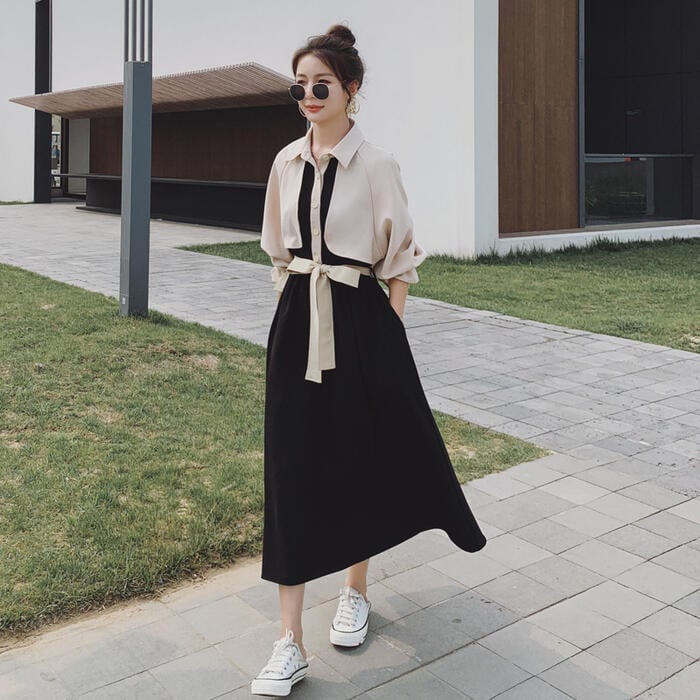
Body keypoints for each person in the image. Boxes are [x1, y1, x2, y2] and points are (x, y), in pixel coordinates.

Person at [251, 23, 487, 697]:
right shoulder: (284, 162)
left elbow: (400, 260)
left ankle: (354, 591)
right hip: (298, 319)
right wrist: (288, 311)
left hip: (361, 322)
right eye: (299, 86)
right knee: (289, 467)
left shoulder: (378, 166)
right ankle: (289, 641)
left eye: (320, 85)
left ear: (351, 89)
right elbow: (276, 251)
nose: (308, 96)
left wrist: (387, 333)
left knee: (358, 455)